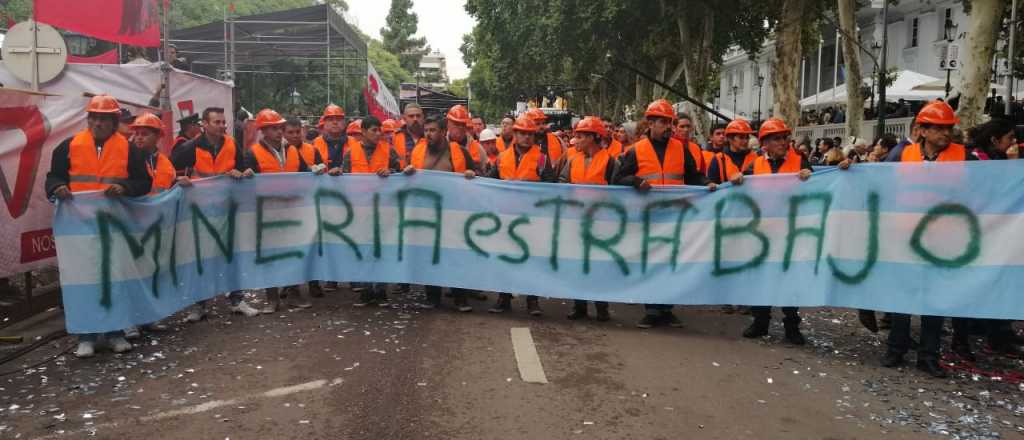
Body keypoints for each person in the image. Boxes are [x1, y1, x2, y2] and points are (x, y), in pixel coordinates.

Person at [44, 95, 153, 358]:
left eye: (104, 118)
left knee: (114, 279)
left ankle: (115, 332)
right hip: (79, 229)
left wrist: (125, 187)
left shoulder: (130, 150)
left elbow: (143, 182)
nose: (98, 122)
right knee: (83, 280)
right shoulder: (68, 147)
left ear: (114, 121)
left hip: (115, 226)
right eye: (94, 117)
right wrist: (58, 187)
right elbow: (54, 177)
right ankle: (87, 335)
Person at [730, 118, 848, 345]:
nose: (784, 142)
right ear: (764, 143)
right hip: (763, 233)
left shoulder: (800, 160)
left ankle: (792, 326)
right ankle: (760, 322)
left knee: (789, 279)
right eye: (777, 139)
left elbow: (822, 184)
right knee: (761, 278)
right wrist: (736, 180)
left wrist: (821, 173)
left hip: (792, 233)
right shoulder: (755, 165)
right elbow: (742, 190)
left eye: (785, 137)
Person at [882, 100, 974, 378]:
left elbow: (983, 189)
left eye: (948, 129)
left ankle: (929, 355)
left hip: (942, 240)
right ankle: (896, 347)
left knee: (934, 299)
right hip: (905, 237)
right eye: (939, 128)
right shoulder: (902, 155)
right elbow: (881, 184)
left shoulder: (964, 156)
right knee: (901, 296)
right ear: (922, 130)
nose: (946, 134)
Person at [613, 99, 717, 329]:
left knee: (670, 263)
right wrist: (636, 180)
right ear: (650, 123)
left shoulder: (680, 148)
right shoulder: (636, 150)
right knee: (651, 263)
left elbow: (693, 175)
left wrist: (707, 182)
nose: (667, 127)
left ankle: (667, 309)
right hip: (648, 217)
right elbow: (618, 178)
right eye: (662, 122)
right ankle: (651, 310)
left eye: (669, 122)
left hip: (674, 216)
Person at [171, 107, 261, 321]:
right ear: (204, 124)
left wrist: (244, 172)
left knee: (231, 255)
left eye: (223, 122)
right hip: (200, 212)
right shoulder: (189, 147)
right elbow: (169, 170)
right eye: (217, 122)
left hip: (226, 210)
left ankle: (237, 300)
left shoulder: (231, 144)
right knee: (201, 258)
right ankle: (199, 305)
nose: (222, 126)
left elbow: (243, 168)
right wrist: (178, 180)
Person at [244, 109, 324, 313]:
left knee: (292, 253)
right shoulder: (253, 153)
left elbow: (305, 172)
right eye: (273, 128)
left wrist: (316, 170)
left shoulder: (292, 151)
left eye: (280, 128)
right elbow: (246, 183)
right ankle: (272, 298)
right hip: (267, 213)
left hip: (292, 211)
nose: (279, 132)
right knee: (269, 255)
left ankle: (294, 293)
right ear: (263, 130)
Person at [402, 115, 477, 311]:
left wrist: (471, 174)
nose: (428, 134)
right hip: (427, 214)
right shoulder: (417, 151)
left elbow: (478, 173)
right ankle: (433, 297)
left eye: (433, 130)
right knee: (429, 255)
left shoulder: (458, 151)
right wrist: (407, 172)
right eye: (426, 130)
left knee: (454, 255)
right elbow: (408, 179)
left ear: (443, 132)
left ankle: (460, 298)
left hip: (453, 213)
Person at [486, 115, 557, 316]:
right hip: (506, 219)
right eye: (522, 133)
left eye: (530, 134)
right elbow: (490, 182)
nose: (526, 137)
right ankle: (503, 297)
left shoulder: (542, 159)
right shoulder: (502, 157)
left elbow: (550, 187)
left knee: (531, 260)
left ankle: (532, 300)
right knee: (505, 258)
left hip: (531, 220)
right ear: (515, 134)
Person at [340, 116, 402, 307]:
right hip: (360, 211)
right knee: (364, 250)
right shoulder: (351, 154)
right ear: (364, 131)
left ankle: (381, 291)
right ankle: (366, 291)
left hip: (384, 210)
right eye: (374, 130)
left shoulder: (389, 151)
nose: (378, 134)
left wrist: (390, 173)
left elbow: (400, 176)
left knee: (382, 250)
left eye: (379, 130)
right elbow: (344, 181)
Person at [558, 117, 616, 321]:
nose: (577, 139)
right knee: (577, 264)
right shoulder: (573, 160)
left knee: (599, 266)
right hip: (577, 222)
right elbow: (562, 184)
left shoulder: (610, 161)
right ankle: (579, 305)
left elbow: (618, 193)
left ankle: (602, 307)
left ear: (593, 137)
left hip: (601, 223)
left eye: (581, 136)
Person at [447, 105, 487, 173]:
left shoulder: (478, 148)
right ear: (448, 124)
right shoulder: (440, 145)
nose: (460, 127)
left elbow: (484, 175)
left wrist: (475, 173)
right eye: (456, 124)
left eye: (462, 124)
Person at [313, 104, 348, 176]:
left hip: (347, 185)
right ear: (324, 123)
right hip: (322, 184)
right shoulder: (316, 142)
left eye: (338, 119)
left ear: (344, 123)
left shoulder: (354, 142)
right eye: (330, 120)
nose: (335, 122)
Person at [393, 103, 426, 168]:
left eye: (418, 116)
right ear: (404, 118)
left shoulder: (430, 136)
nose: (415, 119)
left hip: (425, 176)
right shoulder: (394, 137)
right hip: (402, 176)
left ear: (423, 117)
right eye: (411, 116)